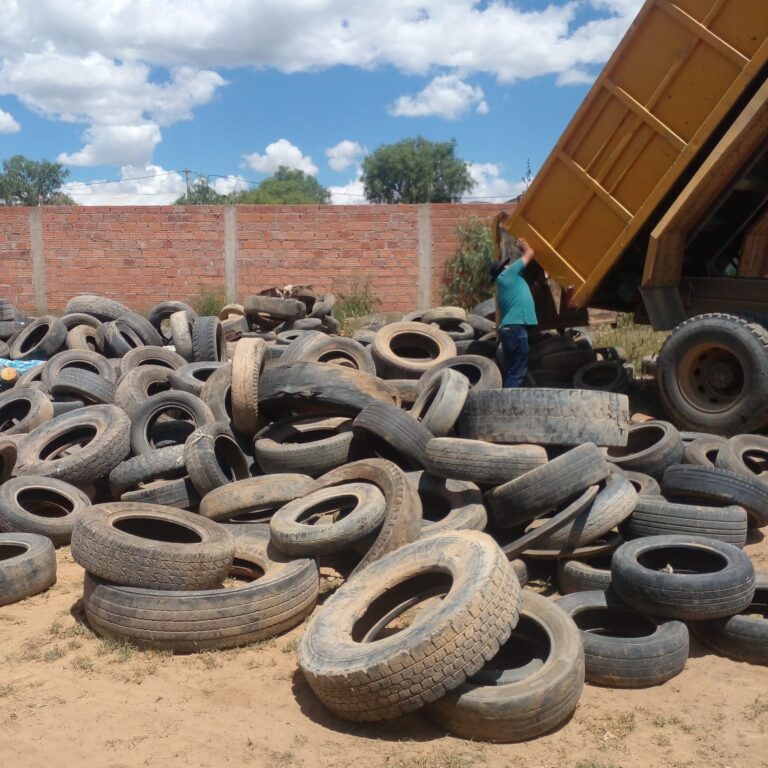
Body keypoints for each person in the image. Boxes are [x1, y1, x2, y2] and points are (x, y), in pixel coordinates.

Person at [490, 237, 537, 388]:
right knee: (517, 371)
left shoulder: (505, 283)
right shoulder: (508, 274)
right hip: (515, 329)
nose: (509, 265)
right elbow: (530, 253)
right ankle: (507, 406)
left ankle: (506, 402)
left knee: (513, 369)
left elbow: (522, 296)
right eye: (506, 265)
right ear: (503, 268)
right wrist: (525, 247)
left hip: (510, 329)